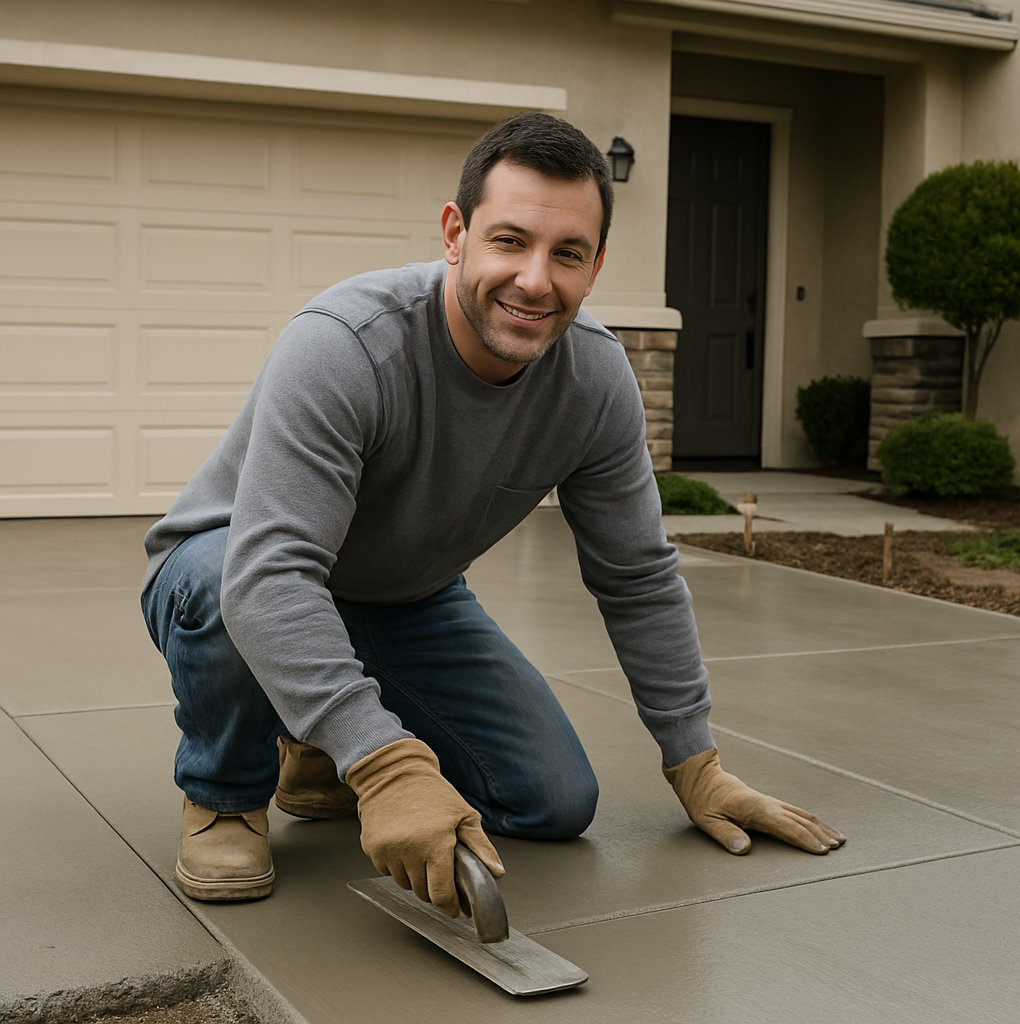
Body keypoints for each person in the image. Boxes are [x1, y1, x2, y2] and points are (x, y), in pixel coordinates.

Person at [141, 112, 845, 913]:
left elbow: (638, 576)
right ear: (456, 233)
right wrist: (386, 765)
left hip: (408, 598)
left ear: (595, 266)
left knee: (552, 801)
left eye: (567, 254)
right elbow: (270, 577)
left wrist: (694, 759)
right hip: (236, 568)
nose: (536, 280)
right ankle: (226, 792)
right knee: (219, 578)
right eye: (510, 241)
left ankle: (312, 744)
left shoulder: (596, 383)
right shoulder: (345, 343)